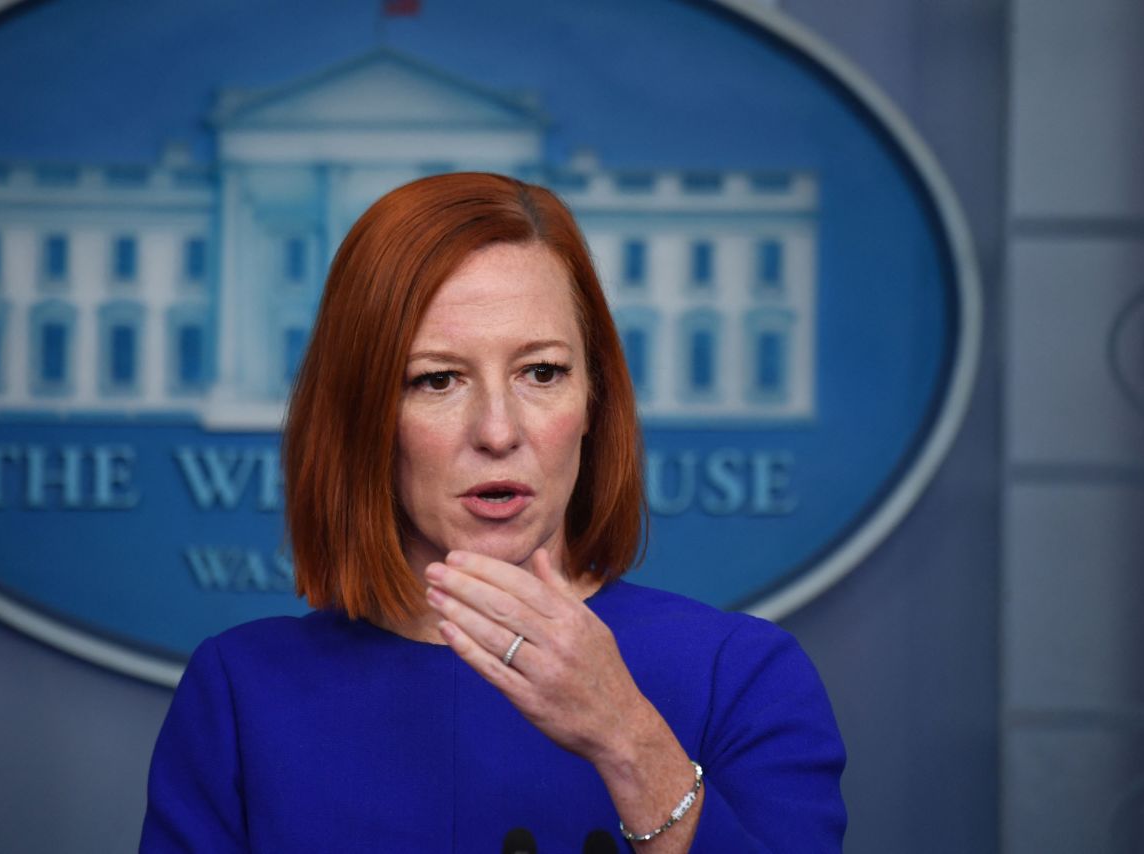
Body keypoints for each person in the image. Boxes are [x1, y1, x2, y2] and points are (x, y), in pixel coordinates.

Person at [140, 173, 846, 852]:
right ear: (363, 417)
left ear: (594, 399)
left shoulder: (740, 676)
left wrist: (628, 739)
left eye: (541, 372)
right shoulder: (243, 696)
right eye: (437, 379)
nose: (499, 431)